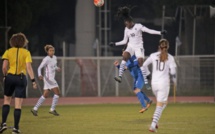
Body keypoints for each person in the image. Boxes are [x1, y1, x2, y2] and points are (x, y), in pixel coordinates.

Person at [109, 6, 166, 90]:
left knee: (140, 62)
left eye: (127, 24)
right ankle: (120, 77)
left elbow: (149, 31)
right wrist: (115, 44)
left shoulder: (138, 26)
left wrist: (160, 32)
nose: (126, 25)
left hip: (139, 47)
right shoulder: (126, 29)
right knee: (125, 56)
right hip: (131, 46)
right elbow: (125, 41)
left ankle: (146, 83)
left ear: (131, 22)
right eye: (125, 24)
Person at [0, 33, 37, 134]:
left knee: (6, 101)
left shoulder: (8, 51)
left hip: (10, 77)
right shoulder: (26, 52)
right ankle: (16, 128)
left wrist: (5, 76)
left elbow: (4, 67)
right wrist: (33, 80)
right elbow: (28, 67)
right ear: (23, 42)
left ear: (12, 41)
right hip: (21, 78)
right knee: (18, 105)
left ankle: (3, 123)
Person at [143, 39, 177, 132]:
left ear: (159, 46)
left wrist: (148, 74)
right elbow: (173, 72)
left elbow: (144, 65)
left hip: (154, 84)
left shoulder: (153, 55)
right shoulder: (170, 57)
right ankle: (153, 126)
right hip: (164, 84)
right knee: (160, 105)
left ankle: (155, 119)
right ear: (167, 47)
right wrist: (174, 79)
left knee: (164, 103)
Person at [114, 48, 152, 113]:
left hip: (141, 75)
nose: (122, 54)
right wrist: (118, 66)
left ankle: (144, 106)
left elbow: (137, 62)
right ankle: (148, 101)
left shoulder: (133, 57)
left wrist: (128, 66)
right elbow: (124, 69)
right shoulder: (126, 61)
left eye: (123, 53)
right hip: (136, 78)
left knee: (137, 90)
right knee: (136, 90)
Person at [31, 45, 61, 116]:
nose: (52, 52)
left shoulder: (55, 57)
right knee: (57, 92)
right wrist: (39, 75)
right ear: (47, 51)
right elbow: (39, 68)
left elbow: (54, 66)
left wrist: (57, 68)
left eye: (53, 50)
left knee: (45, 95)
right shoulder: (46, 59)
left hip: (50, 78)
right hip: (48, 78)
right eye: (50, 51)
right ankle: (52, 109)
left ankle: (35, 108)